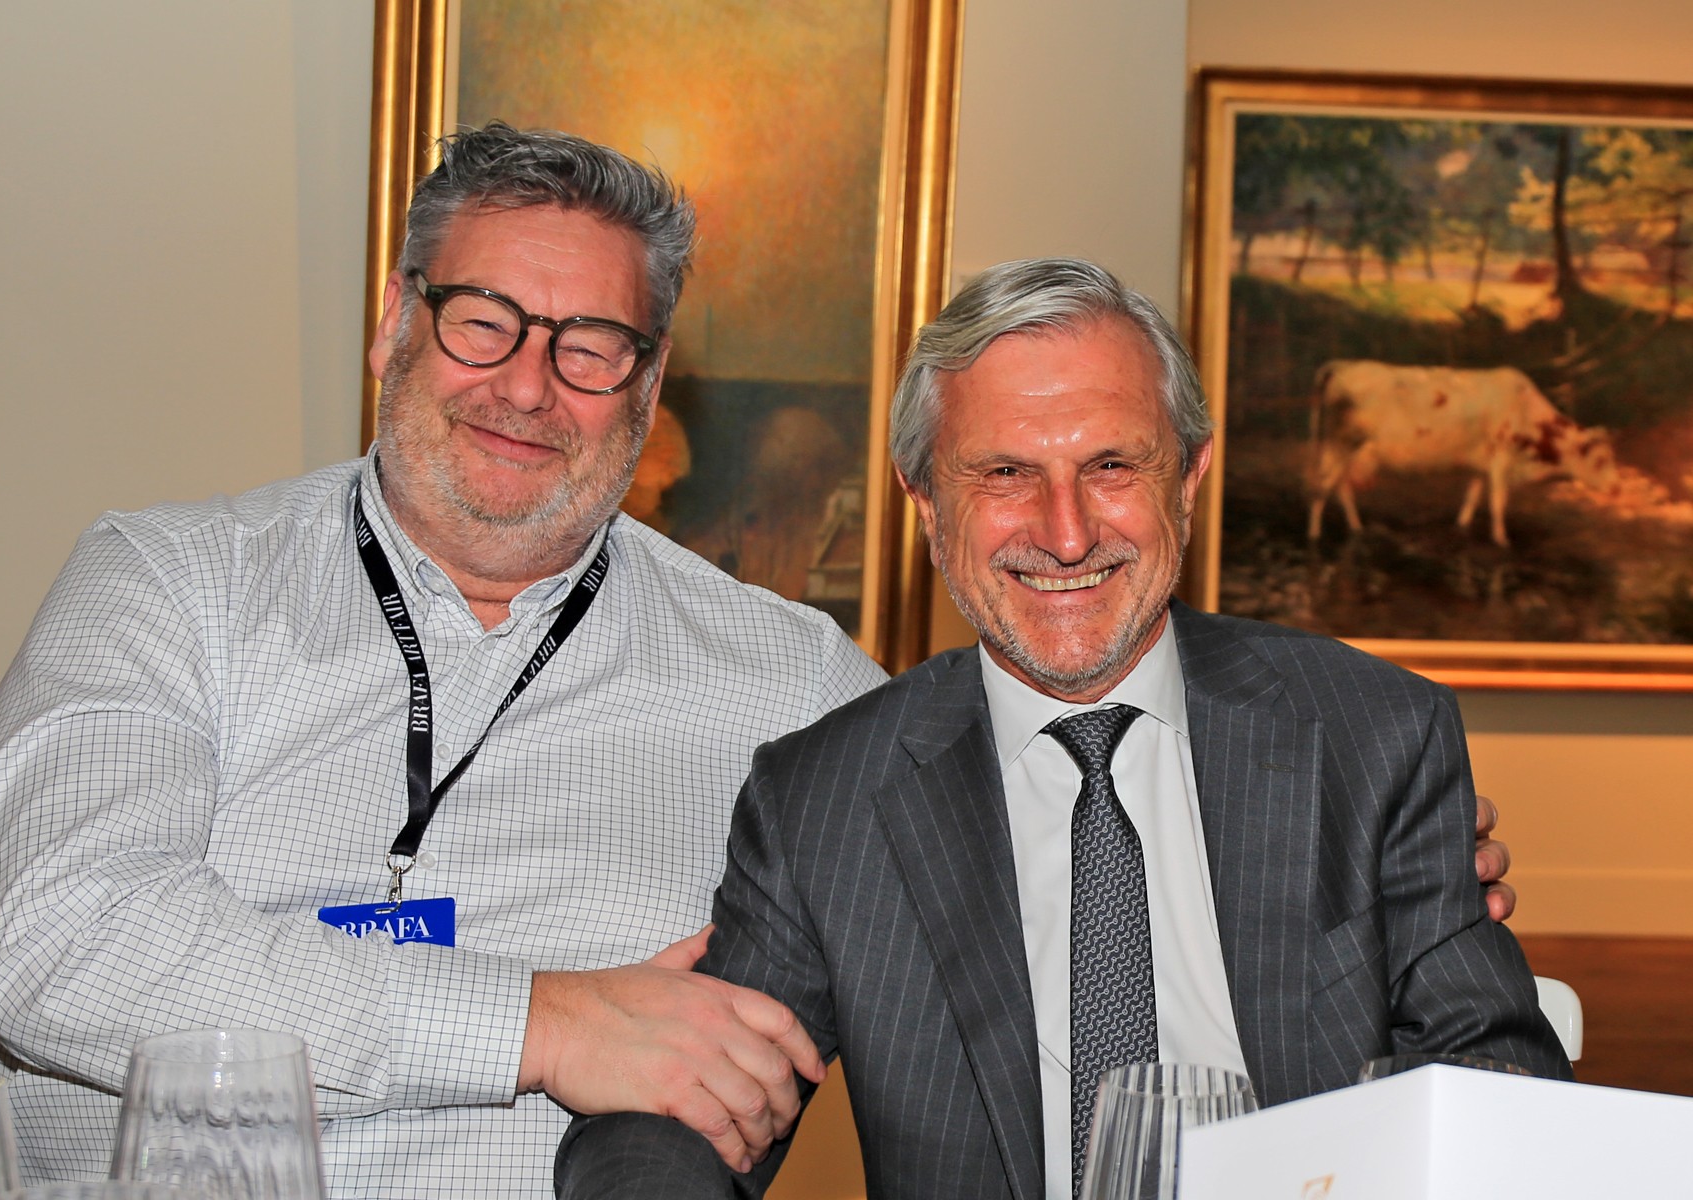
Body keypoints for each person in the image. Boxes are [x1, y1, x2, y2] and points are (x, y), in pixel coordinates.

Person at [0, 122, 887, 1198]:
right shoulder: (167, 584)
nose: (528, 388)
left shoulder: (795, 684)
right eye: (484, 322)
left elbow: (990, 954)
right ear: (395, 322)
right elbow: (64, 938)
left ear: (651, 380)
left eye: (591, 346)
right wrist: (542, 1026)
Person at [556, 257, 1571, 1200]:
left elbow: (1496, 1073)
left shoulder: (1374, 735)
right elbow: (676, 1114)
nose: (1067, 533)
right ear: (925, 502)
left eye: (1112, 465)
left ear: (1190, 475)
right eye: (1003, 474)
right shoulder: (825, 798)